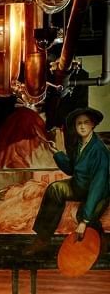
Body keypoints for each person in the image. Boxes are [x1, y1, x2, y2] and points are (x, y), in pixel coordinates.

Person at [33, 106, 108, 251]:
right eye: (79, 123)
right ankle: (42, 238)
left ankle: (102, 243)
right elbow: (72, 169)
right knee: (55, 189)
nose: (82, 126)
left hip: (99, 193)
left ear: (92, 125)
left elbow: (97, 187)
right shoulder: (79, 145)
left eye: (86, 122)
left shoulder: (99, 151)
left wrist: (84, 221)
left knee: (83, 215)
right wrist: (57, 153)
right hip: (80, 186)